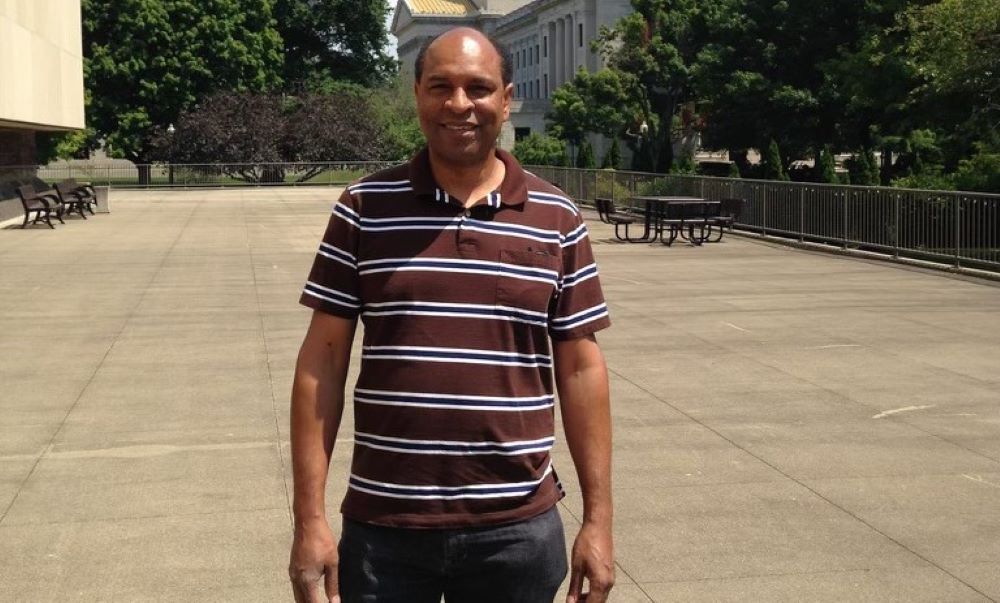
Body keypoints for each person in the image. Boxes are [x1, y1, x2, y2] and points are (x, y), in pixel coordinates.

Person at [288, 26, 613, 603]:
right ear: (416, 94)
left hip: (515, 530)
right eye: (440, 86)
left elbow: (583, 372)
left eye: (478, 88)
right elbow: (322, 365)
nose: (458, 104)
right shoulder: (364, 210)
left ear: (506, 98)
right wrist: (308, 520)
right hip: (385, 530)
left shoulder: (557, 218)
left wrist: (600, 521)